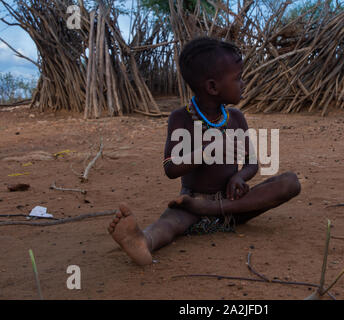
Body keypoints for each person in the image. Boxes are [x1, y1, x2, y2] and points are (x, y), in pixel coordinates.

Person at [108, 37, 301, 266]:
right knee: (168, 224)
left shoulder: (236, 118)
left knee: (290, 182)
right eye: (238, 78)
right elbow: (170, 167)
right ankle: (143, 241)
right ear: (212, 87)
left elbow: (251, 163)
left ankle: (211, 208)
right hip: (192, 204)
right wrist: (206, 152)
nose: (243, 83)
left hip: (234, 204)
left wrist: (239, 176)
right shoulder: (181, 118)